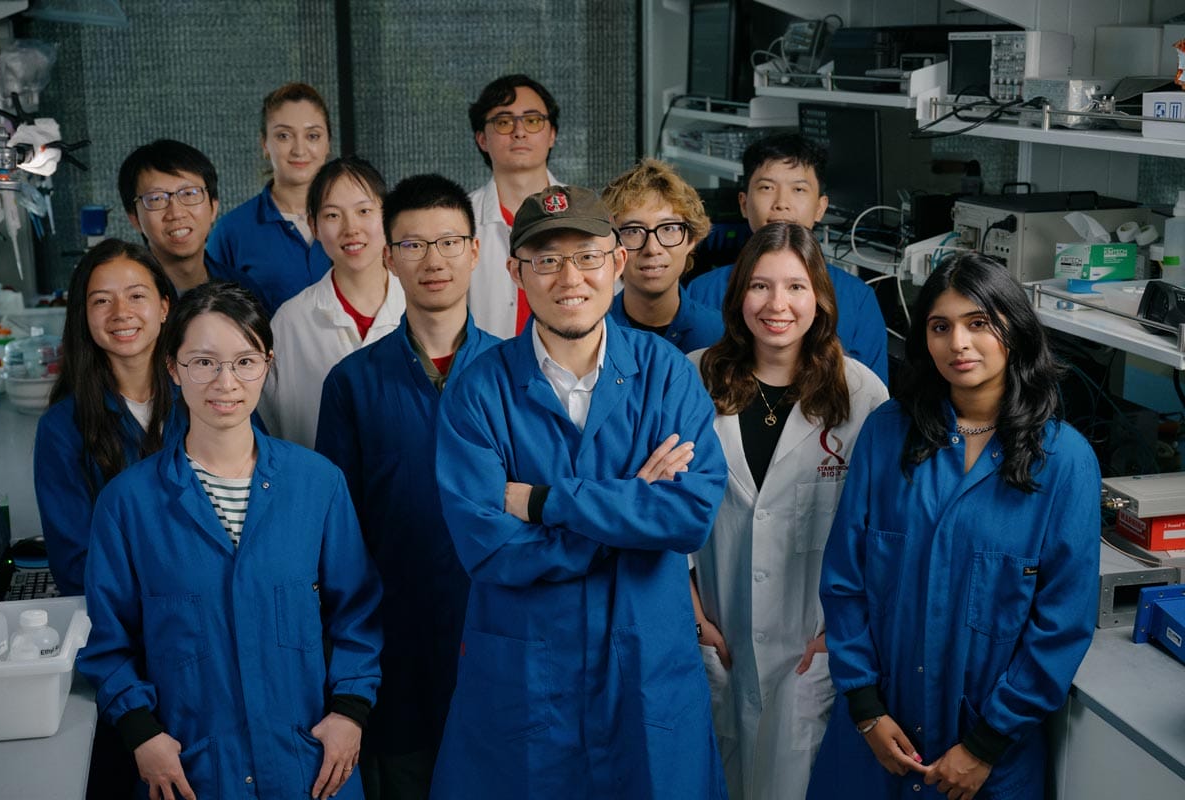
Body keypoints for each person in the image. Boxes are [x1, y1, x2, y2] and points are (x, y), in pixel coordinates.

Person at [431, 185, 729, 799]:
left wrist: (546, 503)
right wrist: (626, 517)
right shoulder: (478, 390)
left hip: (645, 662)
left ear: (617, 263)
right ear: (516, 273)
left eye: (588, 256)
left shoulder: (665, 373)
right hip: (528, 674)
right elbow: (488, 548)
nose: (570, 277)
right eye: (545, 260)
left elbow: (691, 515)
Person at [808, 253, 1101, 800]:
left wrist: (985, 747)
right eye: (940, 327)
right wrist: (867, 710)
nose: (958, 344)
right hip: (878, 741)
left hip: (990, 758)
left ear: (1013, 328)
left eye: (978, 323)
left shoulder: (1064, 461)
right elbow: (844, 579)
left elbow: (1061, 625)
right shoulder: (888, 433)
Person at [79, 281, 384, 800]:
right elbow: (108, 641)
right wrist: (142, 733)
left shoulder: (318, 484)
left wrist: (350, 713)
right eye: (203, 362)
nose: (226, 381)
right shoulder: (128, 503)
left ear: (266, 364)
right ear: (173, 369)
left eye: (245, 361)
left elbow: (357, 615)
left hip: (309, 764)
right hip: (194, 770)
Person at [688, 223, 888, 800]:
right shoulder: (692, 377)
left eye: (796, 287)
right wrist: (693, 614)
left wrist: (841, 635)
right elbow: (664, 508)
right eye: (760, 286)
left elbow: (882, 529)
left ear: (820, 299)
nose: (778, 305)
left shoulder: (862, 394)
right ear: (737, 297)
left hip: (814, 643)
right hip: (716, 629)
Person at [316, 173, 499, 800]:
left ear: (477, 251)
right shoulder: (352, 384)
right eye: (414, 245)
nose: (434, 261)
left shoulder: (518, 371)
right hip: (396, 648)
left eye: (449, 242)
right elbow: (336, 540)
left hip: (501, 638)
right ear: (388, 257)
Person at [33, 239, 188, 800]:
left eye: (137, 295)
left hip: (219, 637)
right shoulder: (63, 429)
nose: (121, 314)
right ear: (84, 317)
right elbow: (77, 564)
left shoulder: (212, 394)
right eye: (101, 301)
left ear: (166, 304)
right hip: (125, 652)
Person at [685, 133, 889, 385]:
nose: (782, 203)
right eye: (767, 188)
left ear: (820, 207)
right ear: (744, 203)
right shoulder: (702, 290)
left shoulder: (857, 298)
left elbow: (872, 401)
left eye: (799, 189)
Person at [258, 155, 403, 448]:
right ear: (313, 224)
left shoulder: (417, 307)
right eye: (333, 215)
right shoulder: (291, 321)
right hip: (318, 485)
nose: (351, 229)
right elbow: (272, 424)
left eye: (364, 211)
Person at [207, 82, 333, 316]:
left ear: (328, 143)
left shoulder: (359, 224)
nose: (299, 149)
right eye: (284, 136)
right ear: (265, 144)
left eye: (313, 135)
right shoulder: (232, 232)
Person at [466, 74, 561, 338]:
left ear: (552, 134)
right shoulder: (459, 221)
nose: (519, 132)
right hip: (483, 373)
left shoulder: (587, 214)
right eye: (504, 122)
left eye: (532, 121)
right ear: (482, 139)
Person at [601, 158, 723, 353]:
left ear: (692, 240)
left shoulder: (722, 335)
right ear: (613, 246)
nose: (652, 248)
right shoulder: (593, 332)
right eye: (633, 231)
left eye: (668, 228)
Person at [118, 139, 220, 294]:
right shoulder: (126, 301)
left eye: (189, 193)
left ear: (213, 208)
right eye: (156, 198)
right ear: (134, 218)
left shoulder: (244, 290)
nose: (176, 213)